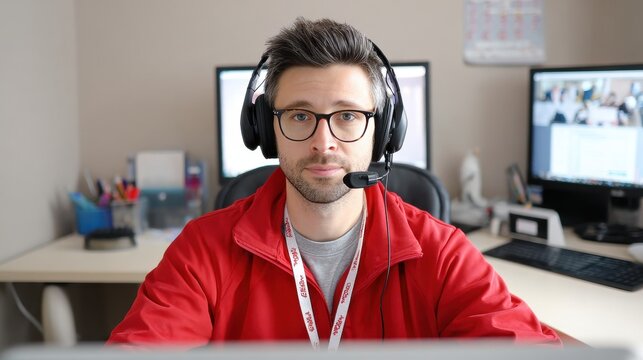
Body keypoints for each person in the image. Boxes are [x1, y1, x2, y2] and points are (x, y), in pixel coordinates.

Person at [107, 17, 560, 348]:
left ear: (383, 133)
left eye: (347, 116)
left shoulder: (440, 254)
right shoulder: (202, 252)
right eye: (300, 115)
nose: (323, 143)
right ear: (265, 130)